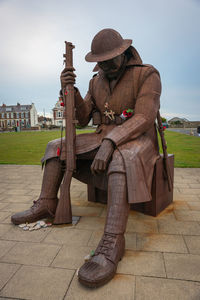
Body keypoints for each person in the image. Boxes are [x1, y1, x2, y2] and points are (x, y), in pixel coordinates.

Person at [11, 28, 161, 288]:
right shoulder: (97, 81)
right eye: (99, 61)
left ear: (124, 54)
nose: (103, 65)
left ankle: (113, 239)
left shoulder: (147, 74)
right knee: (55, 146)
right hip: (102, 135)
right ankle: (48, 203)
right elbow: (81, 118)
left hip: (139, 139)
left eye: (109, 59)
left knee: (120, 158)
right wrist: (70, 89)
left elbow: (144, 117)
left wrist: (111, 141)